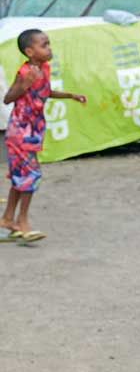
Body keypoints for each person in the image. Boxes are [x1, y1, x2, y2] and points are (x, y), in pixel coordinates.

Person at [1, 29, 87, 241]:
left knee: (21, 176)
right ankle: (23, 222)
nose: (49, 49)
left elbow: (45, 91)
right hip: (21, 130)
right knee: (30, 175)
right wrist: (23, 85)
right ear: (30, 51)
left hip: (34, 129)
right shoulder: (25, 72)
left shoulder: (44, 68)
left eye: (48, 44)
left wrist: (70, 95)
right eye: (44, 45)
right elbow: (8, 99)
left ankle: (7, 219)